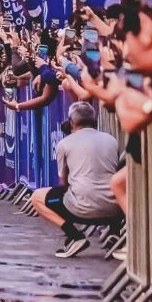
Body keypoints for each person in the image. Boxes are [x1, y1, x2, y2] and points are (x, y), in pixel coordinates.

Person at [30, 102, 121, 258]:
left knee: (37, 197)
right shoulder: (111, 140)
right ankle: (115, 233)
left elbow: (63, 182)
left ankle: (75, 236)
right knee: (111, 187)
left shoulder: (64, 144)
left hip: (80, 209)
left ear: (71, 122)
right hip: (115, 208)